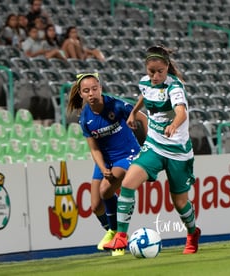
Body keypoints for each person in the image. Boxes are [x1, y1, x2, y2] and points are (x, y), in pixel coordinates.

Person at [103, 45, 201, 256]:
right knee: (128, 183)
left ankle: (193, 233)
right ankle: (121, 236)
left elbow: (181, 112)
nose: (155, 76)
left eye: (160, 72)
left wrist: (174, 125)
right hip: (155, 145)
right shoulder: (145, 82)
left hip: (178, 151)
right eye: (151, 72)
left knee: (180, 203)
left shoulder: (174, 87)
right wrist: (134, 112)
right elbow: (145, 94)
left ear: (167, 68)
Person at [67, 72, 147, 256]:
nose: (91, 93)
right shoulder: (85, 118)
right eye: (86, 91)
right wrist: (103, 168)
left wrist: (149, 144)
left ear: (100, 89)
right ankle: (112, 232)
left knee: (105, 190)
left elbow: (142, 118)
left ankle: (118, 236)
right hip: (105, 160)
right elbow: (94, 149)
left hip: (127, 155)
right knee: (95, 205)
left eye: (94, 89)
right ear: (81, 94)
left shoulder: (116, 105)